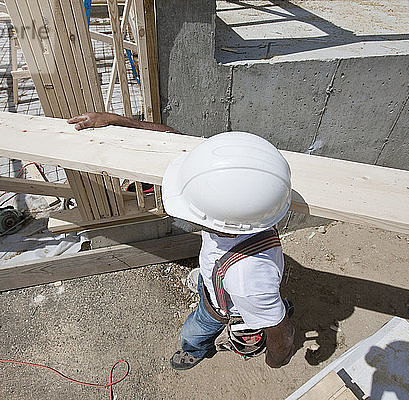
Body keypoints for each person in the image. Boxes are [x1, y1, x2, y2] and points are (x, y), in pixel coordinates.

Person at [67, 112, 296, 370]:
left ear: (225, 225)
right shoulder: (249, 196)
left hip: (221, 306)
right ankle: (268, 308)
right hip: (223, 280)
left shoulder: (247, 280)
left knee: (193, 333)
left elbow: (283, 335)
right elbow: (171, 138)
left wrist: (276, 358)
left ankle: (197, 349)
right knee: (257, 302)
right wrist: (117, 121)